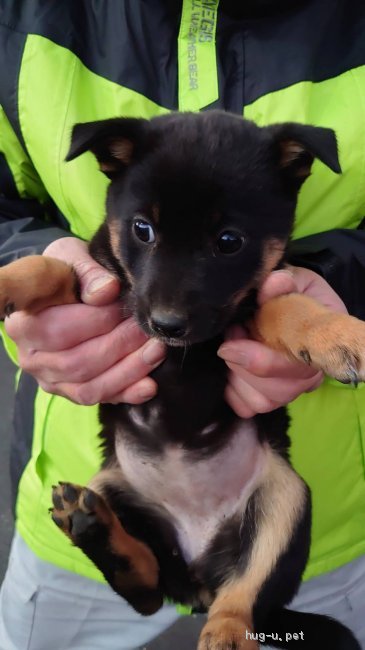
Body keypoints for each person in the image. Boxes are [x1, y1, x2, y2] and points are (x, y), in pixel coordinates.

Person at [0, 1, 365, 648]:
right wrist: (21, 269)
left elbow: (281, 315)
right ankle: (132, 566)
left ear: (293, 177)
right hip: (98, 495)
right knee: (109, 502)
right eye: (143, 233)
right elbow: (31, 237)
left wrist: (335, 297)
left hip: (316, 529)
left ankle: (233, 611)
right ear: (112, 168)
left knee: (281, 495)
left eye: (226, 242)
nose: (167, 305)